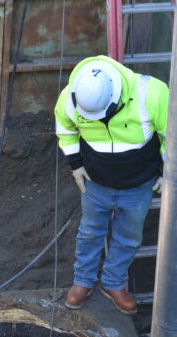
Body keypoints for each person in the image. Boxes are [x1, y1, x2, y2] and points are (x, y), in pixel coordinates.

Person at [54, 55, 169, 315]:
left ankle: (113, 283)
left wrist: (166, 170)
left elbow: (171, 134)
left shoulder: (151, 93)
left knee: (129, 236)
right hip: (96, 182)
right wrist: (76, 165)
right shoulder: (72, 96)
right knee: (90, 232)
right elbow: (65, 128)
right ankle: (82, 281)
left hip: (138, 183)